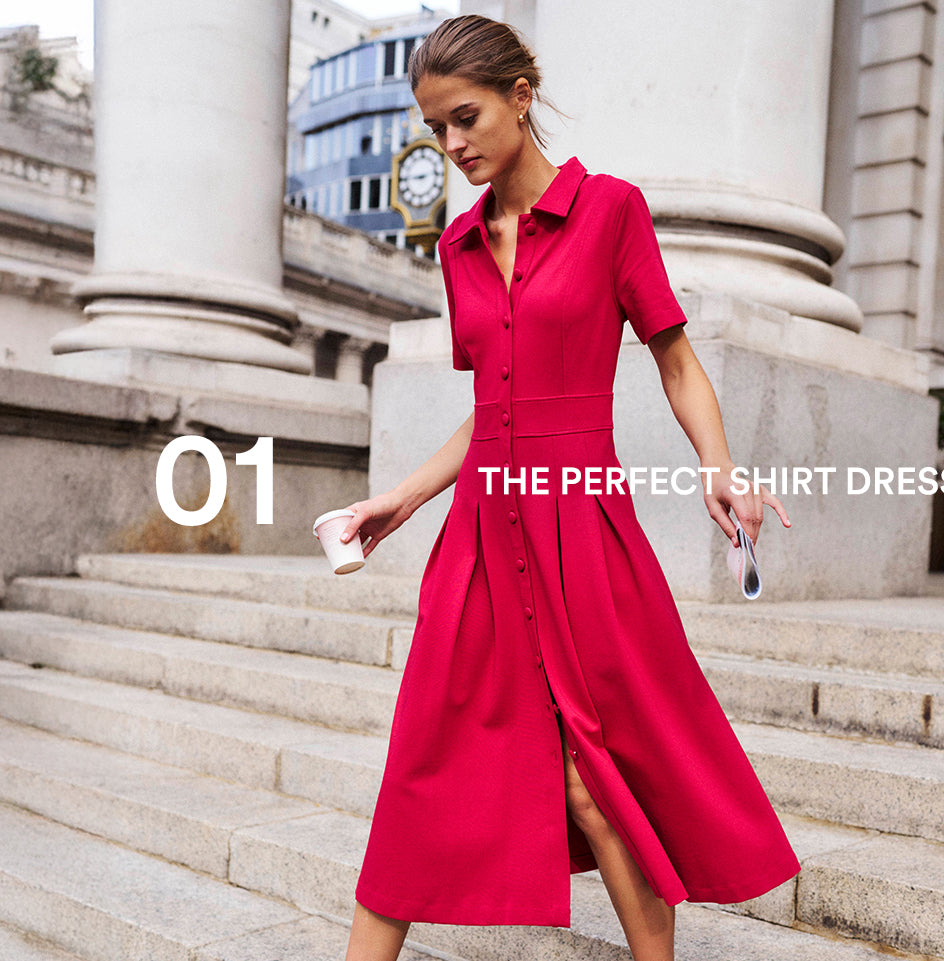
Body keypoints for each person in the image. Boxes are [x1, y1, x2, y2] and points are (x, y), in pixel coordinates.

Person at [335, 15, 801, 961]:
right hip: (479, 536)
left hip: (582, 522)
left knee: (597, 778)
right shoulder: (457, 244)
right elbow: (490, 408)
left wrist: (720, 466)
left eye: (464, 117)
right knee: (422, 763)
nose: (453, 144)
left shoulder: (611, 211)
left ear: (520, 95)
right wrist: (404, 498)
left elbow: (674, 356)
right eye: (436, 129)